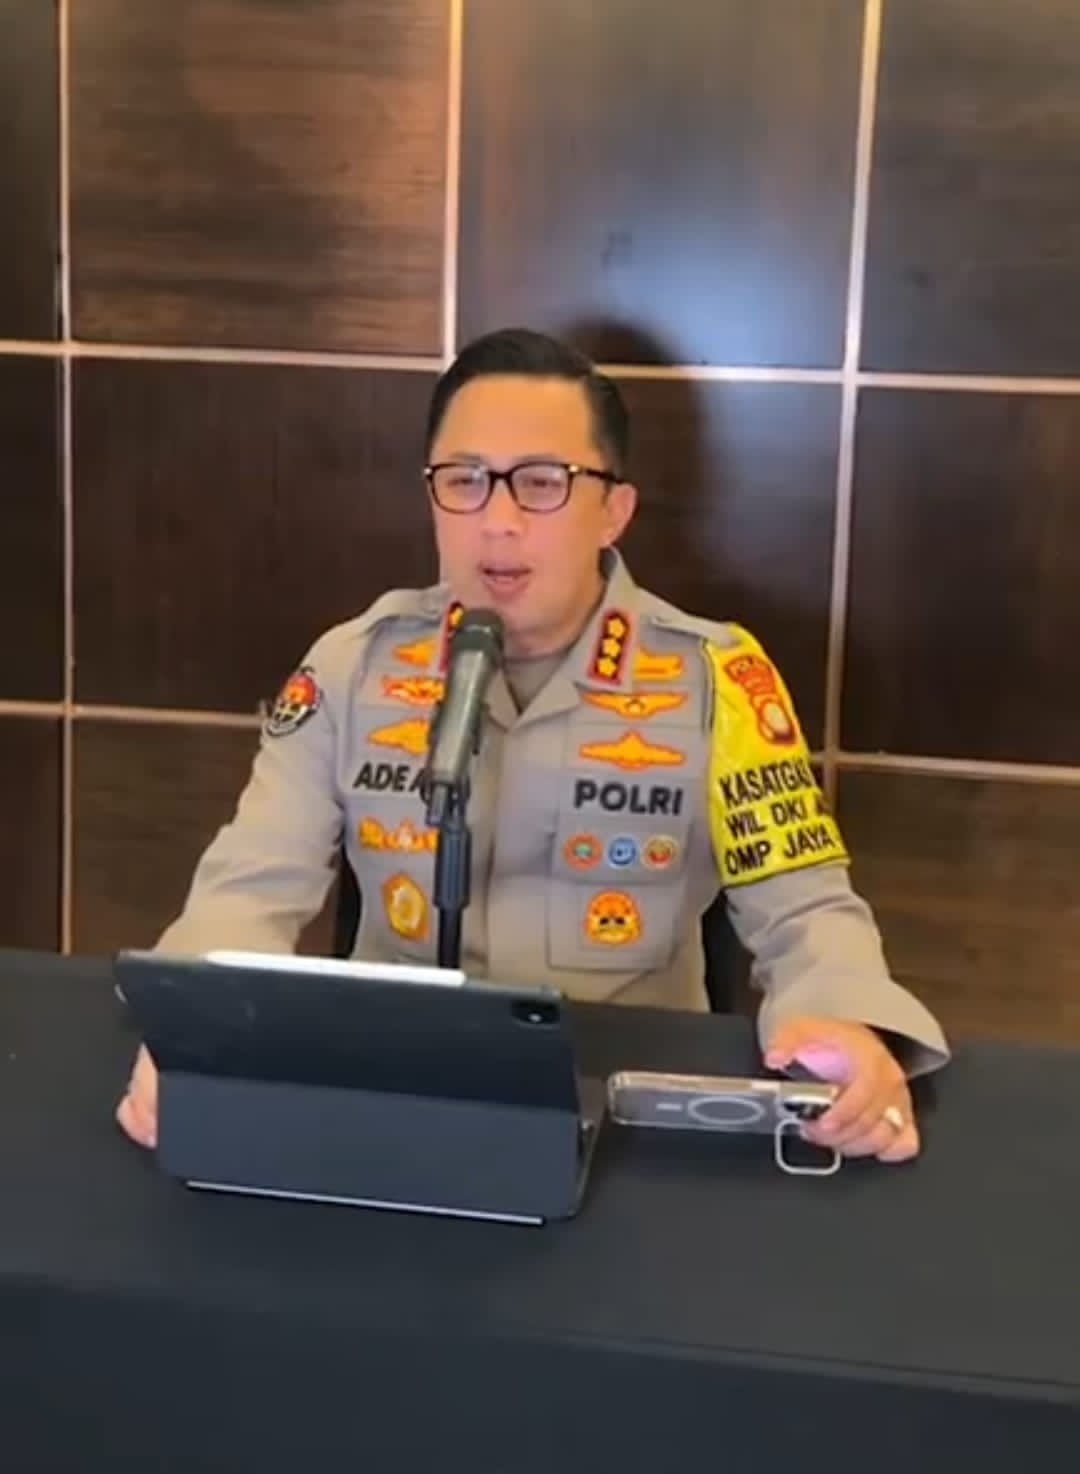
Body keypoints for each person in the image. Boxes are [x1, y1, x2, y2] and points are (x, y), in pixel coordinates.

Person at [118, 328, 949, 1160]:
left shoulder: (716, 680)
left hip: (626, 1112)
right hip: (392, 1096)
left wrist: (842, 1025)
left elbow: (804, 909)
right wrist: (198, 1029)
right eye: (465, 481)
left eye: (542, 483)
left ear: (613, 510)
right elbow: (250, 886)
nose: (498, 522)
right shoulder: (353, 666)